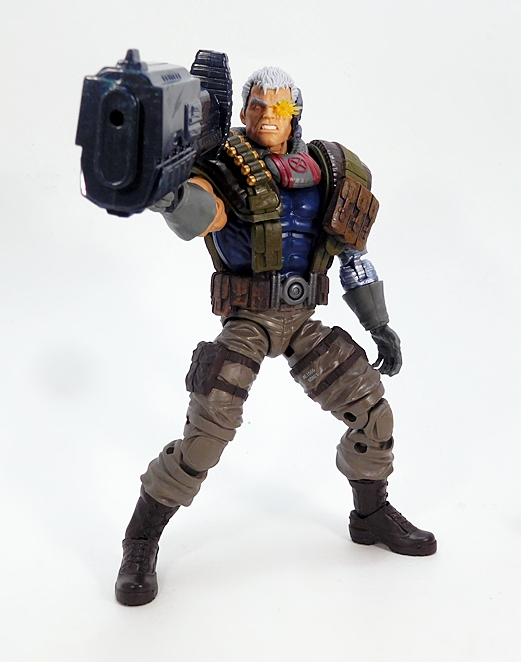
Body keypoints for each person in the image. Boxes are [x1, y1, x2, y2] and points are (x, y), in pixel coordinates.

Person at [115, 66, 436, 607]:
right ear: (242, 112)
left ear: (296, 114)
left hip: (303, 321)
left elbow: (353, 254)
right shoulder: (221, 167)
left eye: (280, 107)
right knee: (206, 434)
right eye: (258, 106)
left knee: (373, 414)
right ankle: (141, 539)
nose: (268, 116)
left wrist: (377, 322)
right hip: (249, 321)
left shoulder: (331, 170)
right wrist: (167, 195)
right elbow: (205, 212)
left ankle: (371, 513)